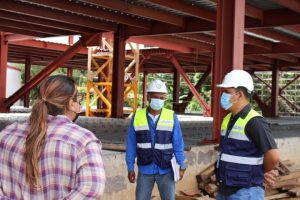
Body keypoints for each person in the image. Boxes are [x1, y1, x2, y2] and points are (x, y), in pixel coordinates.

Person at [0, 75, 105, 199]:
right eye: (77, 98)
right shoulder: (84, 141)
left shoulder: (7, 134)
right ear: (71, 104)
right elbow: (91, 190)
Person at [215, 70, 280, 200]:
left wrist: (261, 172)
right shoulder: (228, 119)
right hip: (225, 188)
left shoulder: (254, 121)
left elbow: (273, 156)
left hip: (246, 191)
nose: (223, 96)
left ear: (239, 94)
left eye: (227, 92)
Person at [126, 79, 186, 200]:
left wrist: (182, 165)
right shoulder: (138, 116)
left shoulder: (171, 116)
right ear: (148, 97)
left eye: (162, 98)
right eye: (155, 97)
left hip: (166, 169)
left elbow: (178, 143)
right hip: (145, 169)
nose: (159, 100)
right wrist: (130, 167)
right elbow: (131, 144)